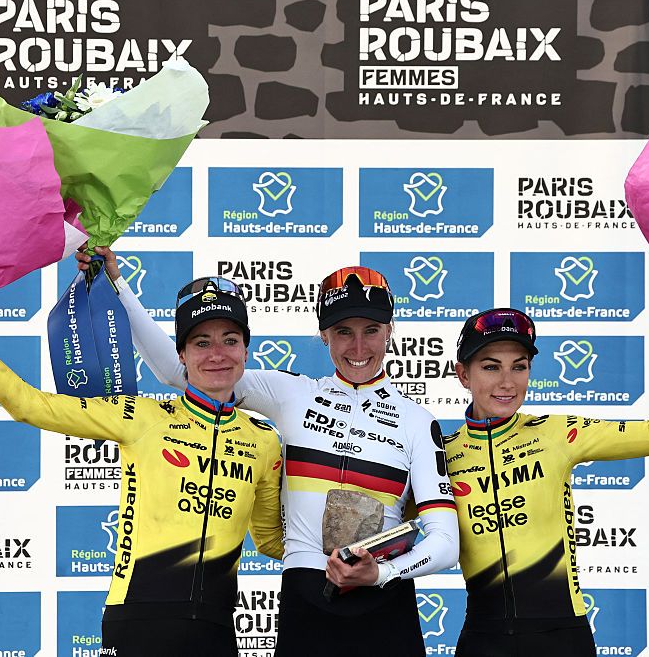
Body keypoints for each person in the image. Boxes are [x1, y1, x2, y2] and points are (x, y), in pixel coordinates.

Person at [78, 249, 459, 656]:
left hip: (385, 603)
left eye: (371, 330)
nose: (359, 345)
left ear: (390, 331)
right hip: (305, 601)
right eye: (343, 331)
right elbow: (180, 371)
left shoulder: (417, 420)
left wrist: (382, 572)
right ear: (324, 336)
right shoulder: (292, 393)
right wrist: (116, 285)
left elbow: (445, 542)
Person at [0, 275, 282, 656]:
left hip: (216, 627)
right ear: (181, 354)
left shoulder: (264, 440)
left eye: (230, 341)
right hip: (138, 620)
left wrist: (342, 552)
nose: (217, 354)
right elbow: (30, 405)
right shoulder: (140, 416)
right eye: (201, 342)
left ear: (246, 350)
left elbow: (272, 540)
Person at [444, 288, 649, 657]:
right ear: (463, 374)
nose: (507, 382)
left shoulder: (557, 432)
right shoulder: (441, 455)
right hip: (483, 639)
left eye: (519, 366)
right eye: (491, 366)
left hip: (561, 637)